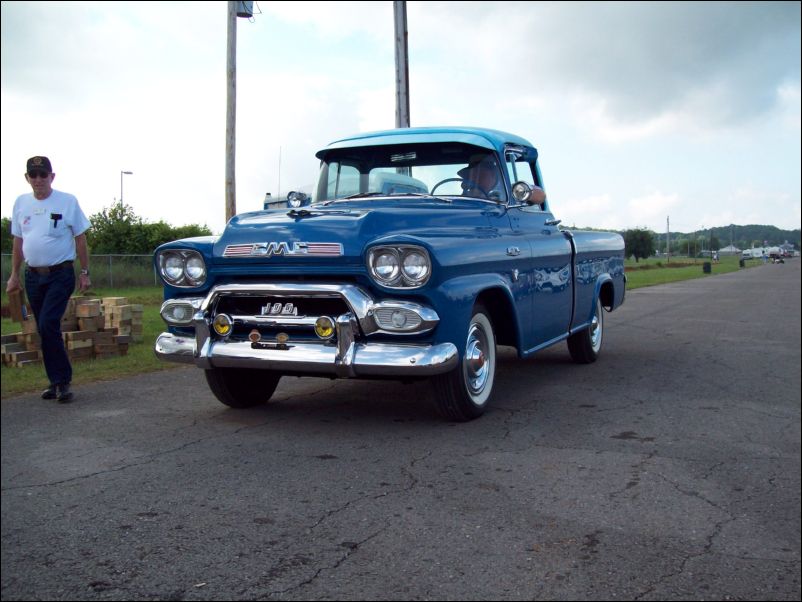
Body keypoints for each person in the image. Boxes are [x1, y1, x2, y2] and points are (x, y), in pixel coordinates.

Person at [6, 156, 92, 403]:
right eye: (33, 175)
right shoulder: (21, 203)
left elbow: (80, 239)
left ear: (52, 177)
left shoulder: (67, 201)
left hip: (60, 273)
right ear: (27, 178)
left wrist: (84, 273)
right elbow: (18, 241)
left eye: (43, 175)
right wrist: (14, 274)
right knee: (44, 330)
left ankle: (63, 381)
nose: (38, 180)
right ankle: (55, 381)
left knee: (48, 323)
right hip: (33, 275)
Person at [458, 154, 546, 205]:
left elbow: (541, 196)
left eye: (481, 174)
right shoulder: (469, 194)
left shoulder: (510, 190)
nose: (474, 178)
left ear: (493, 174)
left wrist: (523, 192)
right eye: (472, 174)